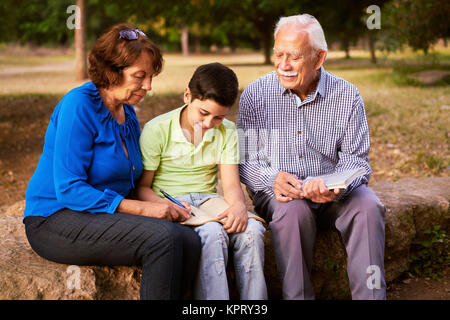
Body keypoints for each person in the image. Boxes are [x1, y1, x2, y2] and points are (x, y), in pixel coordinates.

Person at [23, 23, 201, 300]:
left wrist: (164, 205)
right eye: (139, 76)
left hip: (98, 215)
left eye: (151, 76)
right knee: (163, 239)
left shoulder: (127, 113)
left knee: (188, 238)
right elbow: (69, 189)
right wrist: (145, 211)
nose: (149, 86)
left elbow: (129, 182)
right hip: (55, 219)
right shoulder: (79, 106)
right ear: (111, 71)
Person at [237, 14, 386, 300]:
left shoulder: (347, 95)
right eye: (278, 54)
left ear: (319, 58)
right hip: (280, 194)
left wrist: (336, 185)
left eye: (293, 56)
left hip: (334, 194)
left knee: (368, 205)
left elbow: (357, 162)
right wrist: (273, 180)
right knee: (293, 211)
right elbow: (247, 162)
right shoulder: (255, 95)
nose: (284, 65)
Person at [137, 62, 267, 300]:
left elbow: (229, 184)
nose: (208, 124)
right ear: (188, 95)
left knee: (253, 230)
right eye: (203, 113)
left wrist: (238, 205)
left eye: (218, 117)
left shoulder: (227, 131)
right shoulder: (157, 130)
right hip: (172, 200)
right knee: (212, 232)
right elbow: (142, 188)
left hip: (208, 199)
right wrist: (166, 207)